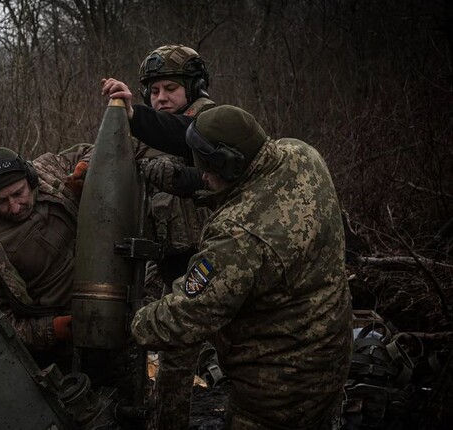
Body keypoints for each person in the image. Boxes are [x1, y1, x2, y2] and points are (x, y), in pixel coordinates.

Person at [125, 104, 353, 429]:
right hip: (331, 353)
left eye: (207, 168)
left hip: (278, 388)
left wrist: (133, 323)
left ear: (229, 163)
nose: (202, 174)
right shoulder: (300, 153)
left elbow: (189, 314)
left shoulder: (237, 237)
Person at [120, 44, 218, 430]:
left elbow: (185, 135)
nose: (161, 99)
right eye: (154, 91)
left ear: (193, 89)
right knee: (148, 343)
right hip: (164, 262)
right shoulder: (146, 130)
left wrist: (135, 115)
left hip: (213, 262)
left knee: (196, 352)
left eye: (171, 90)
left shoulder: (212, 120)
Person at [0, 145, 90, 371]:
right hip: (67, 340)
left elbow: (98, 147)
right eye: (0, 201)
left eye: (18, 193)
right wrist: (52, 329)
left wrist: (86, 169)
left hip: (111, 289)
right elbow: (1, 324)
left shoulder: (49, 171)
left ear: (30, 179)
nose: (14, 207)